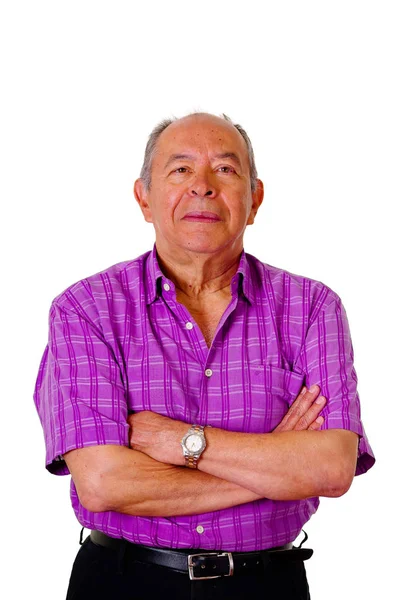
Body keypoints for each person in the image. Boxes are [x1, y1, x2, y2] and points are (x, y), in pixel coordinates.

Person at [33, 111, 375, 599]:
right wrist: (275, 468)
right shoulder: (86, 309)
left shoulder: (312, 307)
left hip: (267, 586)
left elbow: (331, 469)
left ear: (254, 200)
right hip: (123, 582)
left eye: (226, 170)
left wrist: (181, 441)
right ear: (143, 198)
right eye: (180, 170)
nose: (203, 187)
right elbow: (105, 483)